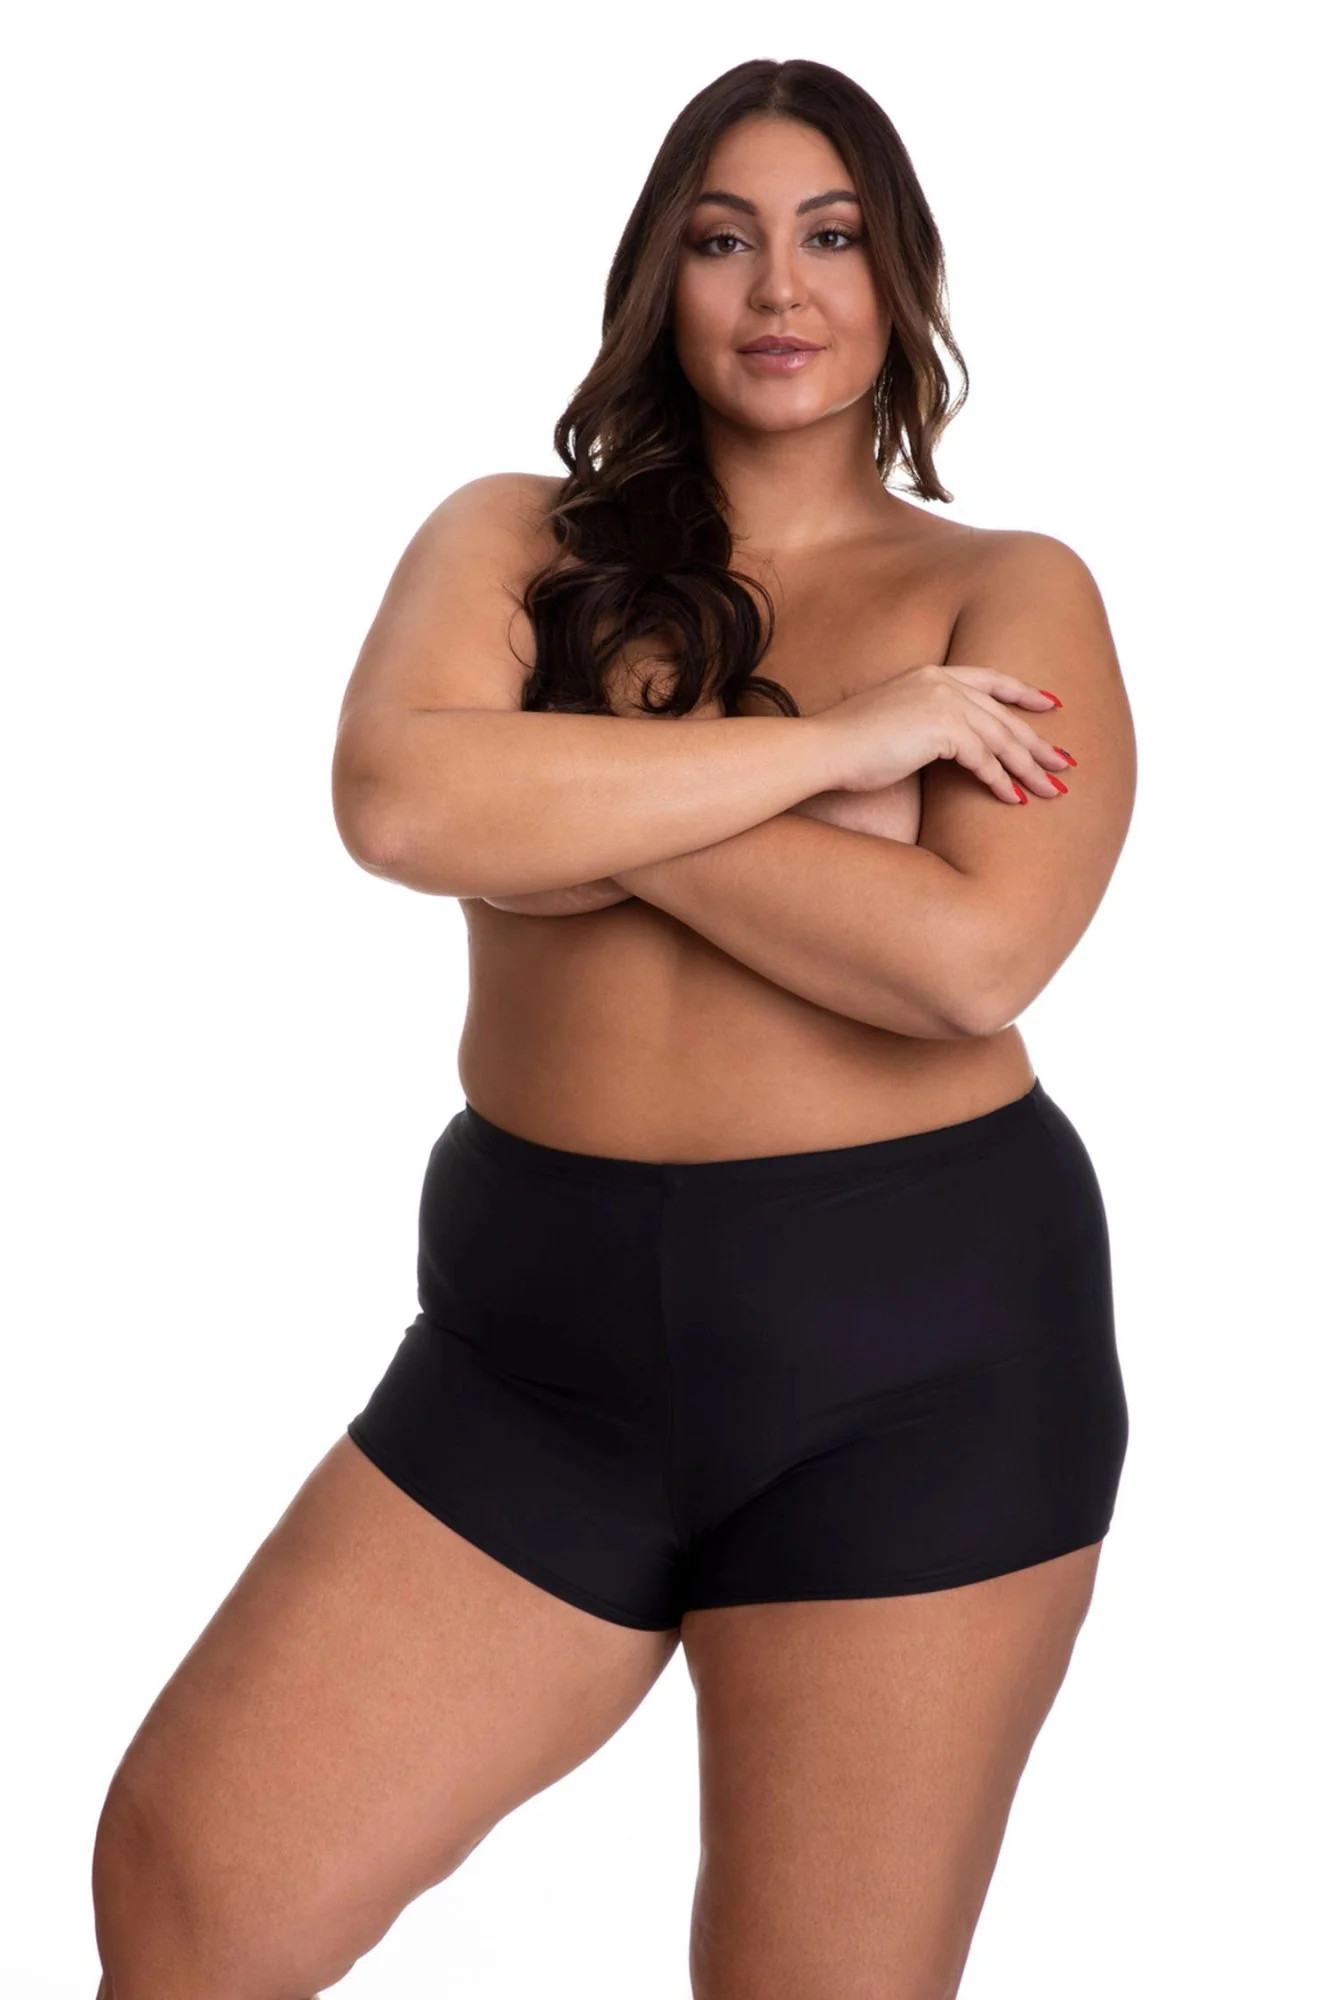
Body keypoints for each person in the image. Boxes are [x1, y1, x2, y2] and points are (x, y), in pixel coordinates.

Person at [91, 55, 1135, 2000]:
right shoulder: (514, 537)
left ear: (899, 274)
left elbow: (966, 963)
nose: (778, 287)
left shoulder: (1002, 589)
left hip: (915, 1358)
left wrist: (569, 803)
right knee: (186, 1899)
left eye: (831, 235)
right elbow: (398, 804)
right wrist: (830, 751)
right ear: (661, 275)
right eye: (723, 240)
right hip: (532, 1348)